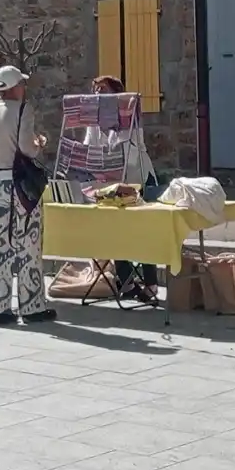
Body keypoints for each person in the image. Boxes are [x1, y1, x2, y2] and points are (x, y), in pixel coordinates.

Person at [0, 65, 53, 328]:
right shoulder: (23, 110)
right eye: (22, 83)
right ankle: (31, 307)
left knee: (0, 243)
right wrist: (39, 144)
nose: (24, 88)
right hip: (21, 185)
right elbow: (26, 149)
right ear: (15, 86)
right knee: (28, 243)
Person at [86, 74, 158, 300]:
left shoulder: (129, 116)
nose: (98, 94)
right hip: (110, 184)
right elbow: (90, 147)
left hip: (136, 178)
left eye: (103, 89)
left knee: (144, 232)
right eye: (95, 90)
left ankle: (151, 284)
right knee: (115, 231)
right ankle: (126, 283)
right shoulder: (93, 121)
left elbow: (132, 152)